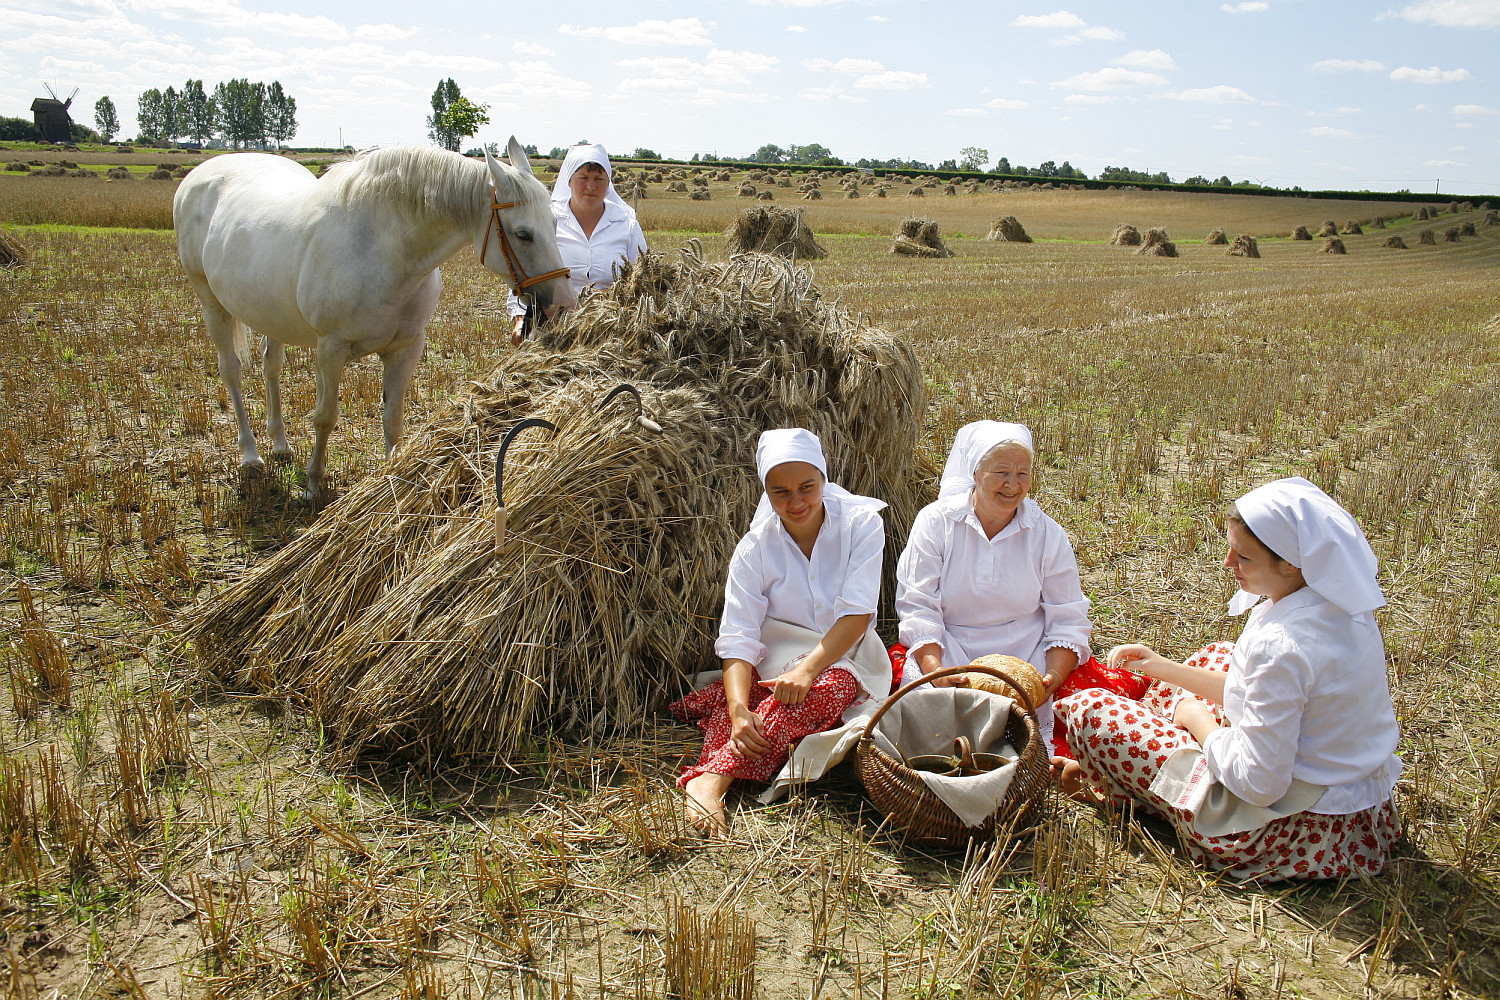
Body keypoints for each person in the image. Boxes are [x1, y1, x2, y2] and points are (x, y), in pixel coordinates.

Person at [1053, 477, 1402, 881]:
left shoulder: (1283, 646)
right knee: (1219, 655)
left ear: (1290, 562)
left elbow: (1258, 785)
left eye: (1244, 556)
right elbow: (1258, 693)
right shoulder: (1341, 607)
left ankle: (1132, 783)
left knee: (1090, 709)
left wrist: (1198, 721)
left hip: (1287, 830)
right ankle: (1141, 770)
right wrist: (1160, 665)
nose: (1227, 563)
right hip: (1359, 812)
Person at [671, 428, 890, 837]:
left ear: (824, 478)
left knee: (831, 687)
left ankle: (712, 779)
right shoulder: (755, 549)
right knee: (747, 700)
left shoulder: (861, 525)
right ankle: (735, 719)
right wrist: (738, 711)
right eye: (780, 492)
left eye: (807, 487)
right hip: (775, 656)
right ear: (766, 492)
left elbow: (857, 616)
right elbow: (739, 636)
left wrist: (807, 671)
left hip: (845, 653)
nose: (796, 502)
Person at [895, 421, 1093, 744]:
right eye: (1001, 472)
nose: (1012, 485)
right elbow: (918, 604)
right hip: (951, 648)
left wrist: (1050, 680)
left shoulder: (1047, 535)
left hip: (1028, 653)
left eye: (1022, 473)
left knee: (1081, 716)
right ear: (975, 473)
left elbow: (1068, 614)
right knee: (921, 716)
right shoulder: (936, 523)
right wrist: (935, 668)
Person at [506, 143, 646, 346]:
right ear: (569, 180)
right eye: (583, 178)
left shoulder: (627, 226)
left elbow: (645, 280)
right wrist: (519, 321)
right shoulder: (548, 221)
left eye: (599, 179)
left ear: (608, 183)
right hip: (555, 331)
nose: (591, 186)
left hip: (613, 334)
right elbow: (524, 277)